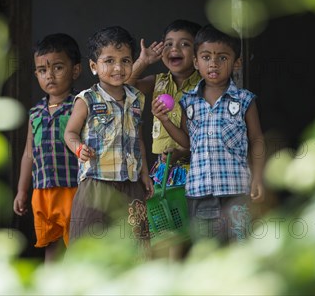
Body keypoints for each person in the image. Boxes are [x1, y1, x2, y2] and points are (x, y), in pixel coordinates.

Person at [152, 25, 265, 244]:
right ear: (196, 62)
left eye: (222, 58)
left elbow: (257, 140)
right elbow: (187, 142)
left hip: (237, 190)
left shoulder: (244, 100)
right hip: (199, 192)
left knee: (239, 248)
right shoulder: (188, 102)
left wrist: (258, 177)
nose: (213, 64)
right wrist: (166, 121)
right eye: (206, 57)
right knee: (207, 251)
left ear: (237, 62)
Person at [64, 26, 154, 247]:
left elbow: (138, 139)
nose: (118, 67)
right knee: (88, 243)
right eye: (109, 61)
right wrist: (78, 148)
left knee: (135, 244)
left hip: (130, 184)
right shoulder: (87, 99)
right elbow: (70, 132)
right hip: (96, 184)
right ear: (94, 66)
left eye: (125, 61)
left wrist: (144, 174)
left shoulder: (136, 98)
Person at [13, 33, 82, 262]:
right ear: (36, 74)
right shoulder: (35, 113)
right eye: (42, 70)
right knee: (50, 247)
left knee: (76, 245)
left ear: (75, 70)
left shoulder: (81, 106)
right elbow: (27, 154)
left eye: (58, 68)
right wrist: (23, 191)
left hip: (73, 189)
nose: (49, 75)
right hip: (42, 193)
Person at [127, 19, 202, 189]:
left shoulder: (205, 86)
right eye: (168, 44)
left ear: (198, 53)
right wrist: (143, 62)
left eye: (184, 44)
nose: (174, 49)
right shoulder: (157, 81)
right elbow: (126, 87)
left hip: (197, 166)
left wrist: (183, 152)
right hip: (164, 167)